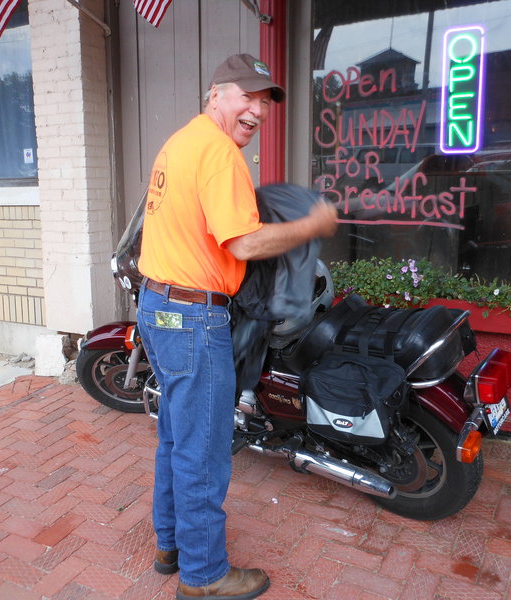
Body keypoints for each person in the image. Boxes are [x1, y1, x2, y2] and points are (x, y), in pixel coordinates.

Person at [136, 53, 338, 600]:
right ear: (215, 94)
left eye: (265, 101)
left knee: (176, 437)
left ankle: (170, 545)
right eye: (246, 96)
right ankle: (204, 577)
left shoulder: (180, 143)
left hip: (157, 306)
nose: (258, 109)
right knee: (203, 449)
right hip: (193, 319)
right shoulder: (220, 154)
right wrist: (309, 226)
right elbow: (243, 242)